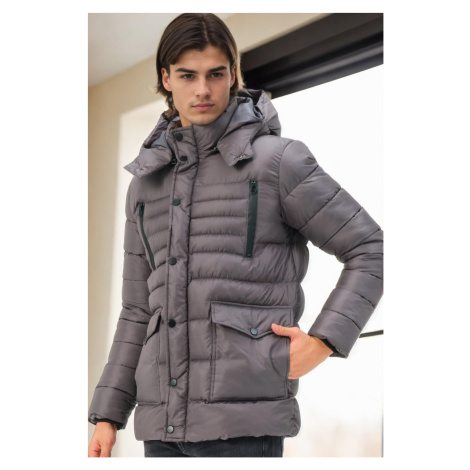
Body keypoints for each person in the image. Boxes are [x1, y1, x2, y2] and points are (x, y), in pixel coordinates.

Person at [88, 13, 383, 458]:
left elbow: (371, 248)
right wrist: (108, 415)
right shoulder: (145, 185)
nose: (202, 90)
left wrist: (324, 342)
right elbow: (137, 310)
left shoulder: (278, 162)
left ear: (232, 75)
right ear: (166, 79)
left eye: (215, 74)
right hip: (162, 429)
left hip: (245, 426)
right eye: (187, 75)